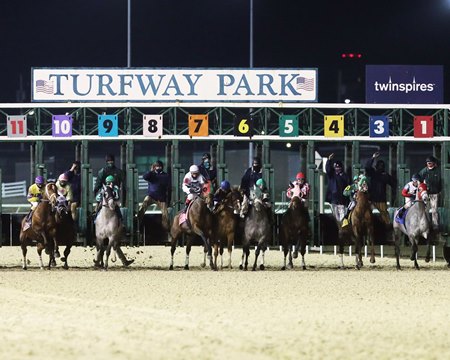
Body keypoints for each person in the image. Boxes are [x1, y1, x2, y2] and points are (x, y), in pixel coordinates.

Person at [137, 160, 171, 231]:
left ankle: (166, 230)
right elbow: (145, 177)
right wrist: (151, 171)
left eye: (160, 166)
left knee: (166, 215)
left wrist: (168, 200)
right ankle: (137, 224)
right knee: (143, 207)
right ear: (154, 167)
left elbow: (169, 188)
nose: (158, 168)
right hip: (151, 196)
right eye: (157, 166)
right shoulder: (151, 174)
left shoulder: (166, 175)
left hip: (161, 198)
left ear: (162, 167)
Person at [364, 152, 396, 226]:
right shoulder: (373, 173)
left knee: (385, 218)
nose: (380, 168)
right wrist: (373, 158)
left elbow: (394, 184)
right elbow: (367, 167)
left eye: (381, 167)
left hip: (380, 200)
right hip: (373, 200)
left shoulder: (384, 175)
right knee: (369, 216)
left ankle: (387, 231)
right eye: (379, 166)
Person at [418, 155, 442, 231]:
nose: (429, 164)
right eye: (428, 163)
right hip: (426, 194)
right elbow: (419, 181)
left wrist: (440, 191)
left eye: (430, 162)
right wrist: (422, 189)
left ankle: (435, 226)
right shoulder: (424, 171)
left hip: (435, 193)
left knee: (434, 210)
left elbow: (441, 182)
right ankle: (426, 224)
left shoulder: (438, 171)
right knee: (426, 210)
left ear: (434, 163)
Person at [325, 153, 350, 223]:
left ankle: (342, 230)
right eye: (336, 167)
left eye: (339, 167)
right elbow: (328, 169)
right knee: (335, 218)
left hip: (342, 200)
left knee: (343, 218)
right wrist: (329, 160)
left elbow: (348, 187)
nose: (337, 169)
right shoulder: (332, 175)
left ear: (341, 168)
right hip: (334, 200)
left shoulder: (345, 176)